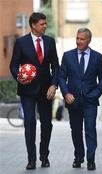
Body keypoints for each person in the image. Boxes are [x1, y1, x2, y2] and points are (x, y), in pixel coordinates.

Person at [9, 12, 59, 170]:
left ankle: (44, 156)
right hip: (27, 90)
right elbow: (13, 64)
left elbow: (56, 66)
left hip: (46, 90)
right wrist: (19, 77)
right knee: (29, 123)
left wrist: (54, 85)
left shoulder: (50, 42)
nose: (45, 26)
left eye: (45, 23)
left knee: (47, 124)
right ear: (33, 25)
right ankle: (31, 159)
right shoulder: (21, 42)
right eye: (42, 24)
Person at [58, 28, 102, 170]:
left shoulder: (97, 57)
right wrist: (66, 93)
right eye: (77, 38)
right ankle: (79, 156)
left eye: (82, 39)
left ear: (89, 40)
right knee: (76, 130)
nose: (78, 41)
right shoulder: (68, 56)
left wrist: (96, 93)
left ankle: (91, 160)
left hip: (90, 100)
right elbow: (61, 77)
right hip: (73, 100)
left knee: (90, 129)